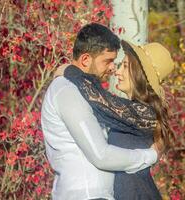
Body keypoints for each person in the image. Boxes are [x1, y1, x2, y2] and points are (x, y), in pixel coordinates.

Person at [41, 23, 160, 200]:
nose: (113, 68)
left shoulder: (87, 92)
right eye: (108, 61)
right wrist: (150, 155)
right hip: (85, 195)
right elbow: (101, 155)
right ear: (86, 60)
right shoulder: (67, 91)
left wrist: (68, 70)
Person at [60, 39, 175, 199]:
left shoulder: (144, 113)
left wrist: (70, 71)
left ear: (140, 74)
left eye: (125, 66)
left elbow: (97, 99)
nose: (118, 71)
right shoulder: (134, 111)